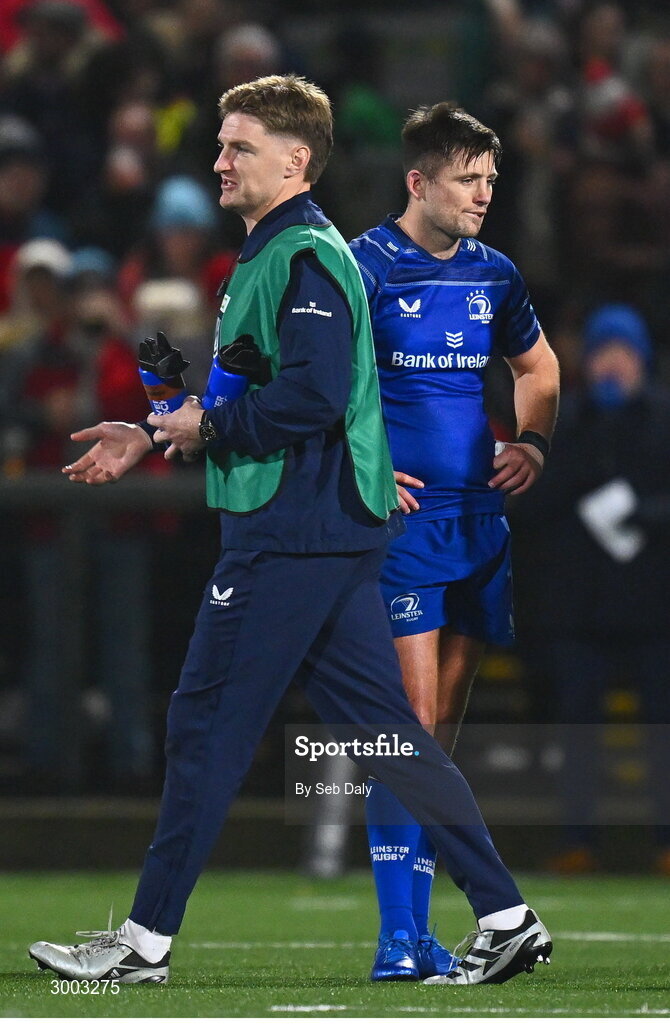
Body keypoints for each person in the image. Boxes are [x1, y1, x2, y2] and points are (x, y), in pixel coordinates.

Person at [29, 75, 551, 987]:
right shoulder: (282, 255)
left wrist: (207, 429)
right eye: (222, 145)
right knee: (393, 736)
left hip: (290, 536)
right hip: (329, 534)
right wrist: (153, 429)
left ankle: (145, 943)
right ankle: (507, 917)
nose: (220, 160)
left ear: (295, 160)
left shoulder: (304, 255)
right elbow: (245, 396)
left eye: (239, 147)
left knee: (204, 725)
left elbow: (308, 398)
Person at [349, 102, 560, 981]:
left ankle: (422, 935)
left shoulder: (496, 273)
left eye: (489, 181)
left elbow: (538, 369)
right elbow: (314, 378)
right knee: (410, 734)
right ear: (418, 181)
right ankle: (399, 938)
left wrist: (533, 442)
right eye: (467, 180)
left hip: (479, 523)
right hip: (403, 527)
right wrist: (359, 469)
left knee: (441, 742)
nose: (482, 195)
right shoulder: (360, 266)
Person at [512, 303, 670, 874]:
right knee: (577, 727)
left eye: (624, 355)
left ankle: (664, 843)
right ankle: (577, 841)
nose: (613, 365)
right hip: (579, 612)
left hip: (654, 611)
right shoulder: (563, 422)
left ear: (642, 361)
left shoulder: (661, 420)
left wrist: (644, 512)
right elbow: (529, 504)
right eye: (604, 353)